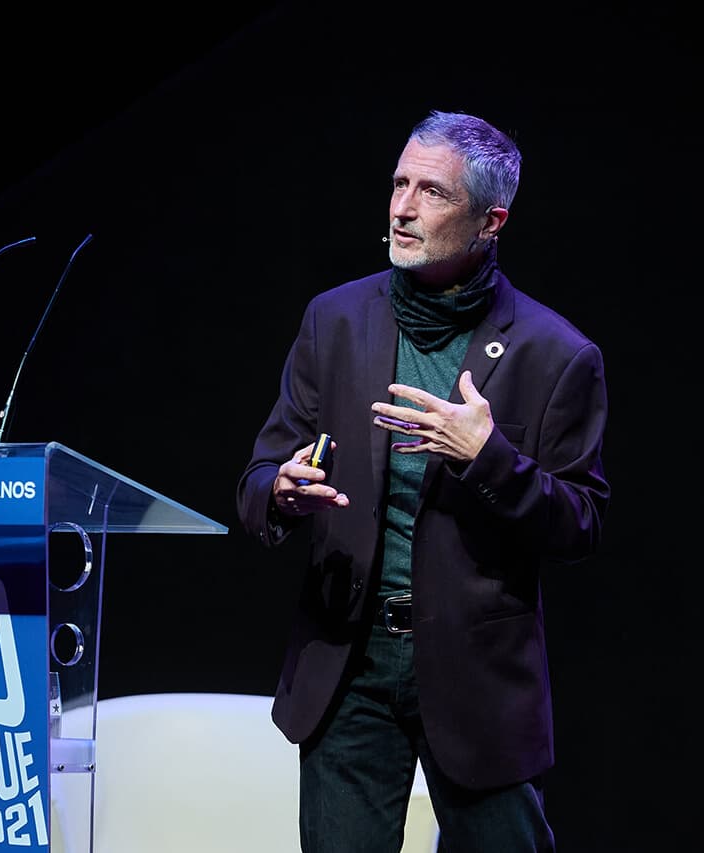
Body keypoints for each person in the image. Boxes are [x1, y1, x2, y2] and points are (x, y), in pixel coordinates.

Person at [236, 109, 610, 852]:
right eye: (399, 183)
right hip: (348, 660)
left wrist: (488, 457)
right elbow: (257, 477)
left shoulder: (556, 353)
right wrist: (280, 489)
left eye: (432, 192)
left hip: (476, 675)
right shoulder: (336, 320)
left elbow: (581, 522)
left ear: (490, 221)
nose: (402, 208)